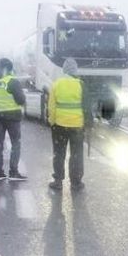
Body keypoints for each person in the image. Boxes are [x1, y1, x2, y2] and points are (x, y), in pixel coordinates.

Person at [0, 58, 27, 180]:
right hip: (13, 117)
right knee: (15, 143)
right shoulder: (12, 82)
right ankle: (13, 172)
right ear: (9, 69)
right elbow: (21, 100)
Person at [48, 58, 86, 191]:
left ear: (64, 70)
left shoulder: (56, 84)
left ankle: (58, 181)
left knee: (59, 153)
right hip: (77, 126)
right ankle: (76, 182)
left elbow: (51, 106)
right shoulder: (81, 84)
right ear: (75, 70)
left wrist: (52, 121)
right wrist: (87, 124)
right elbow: (86, 107)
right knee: (76, 154)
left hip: (59, 125)